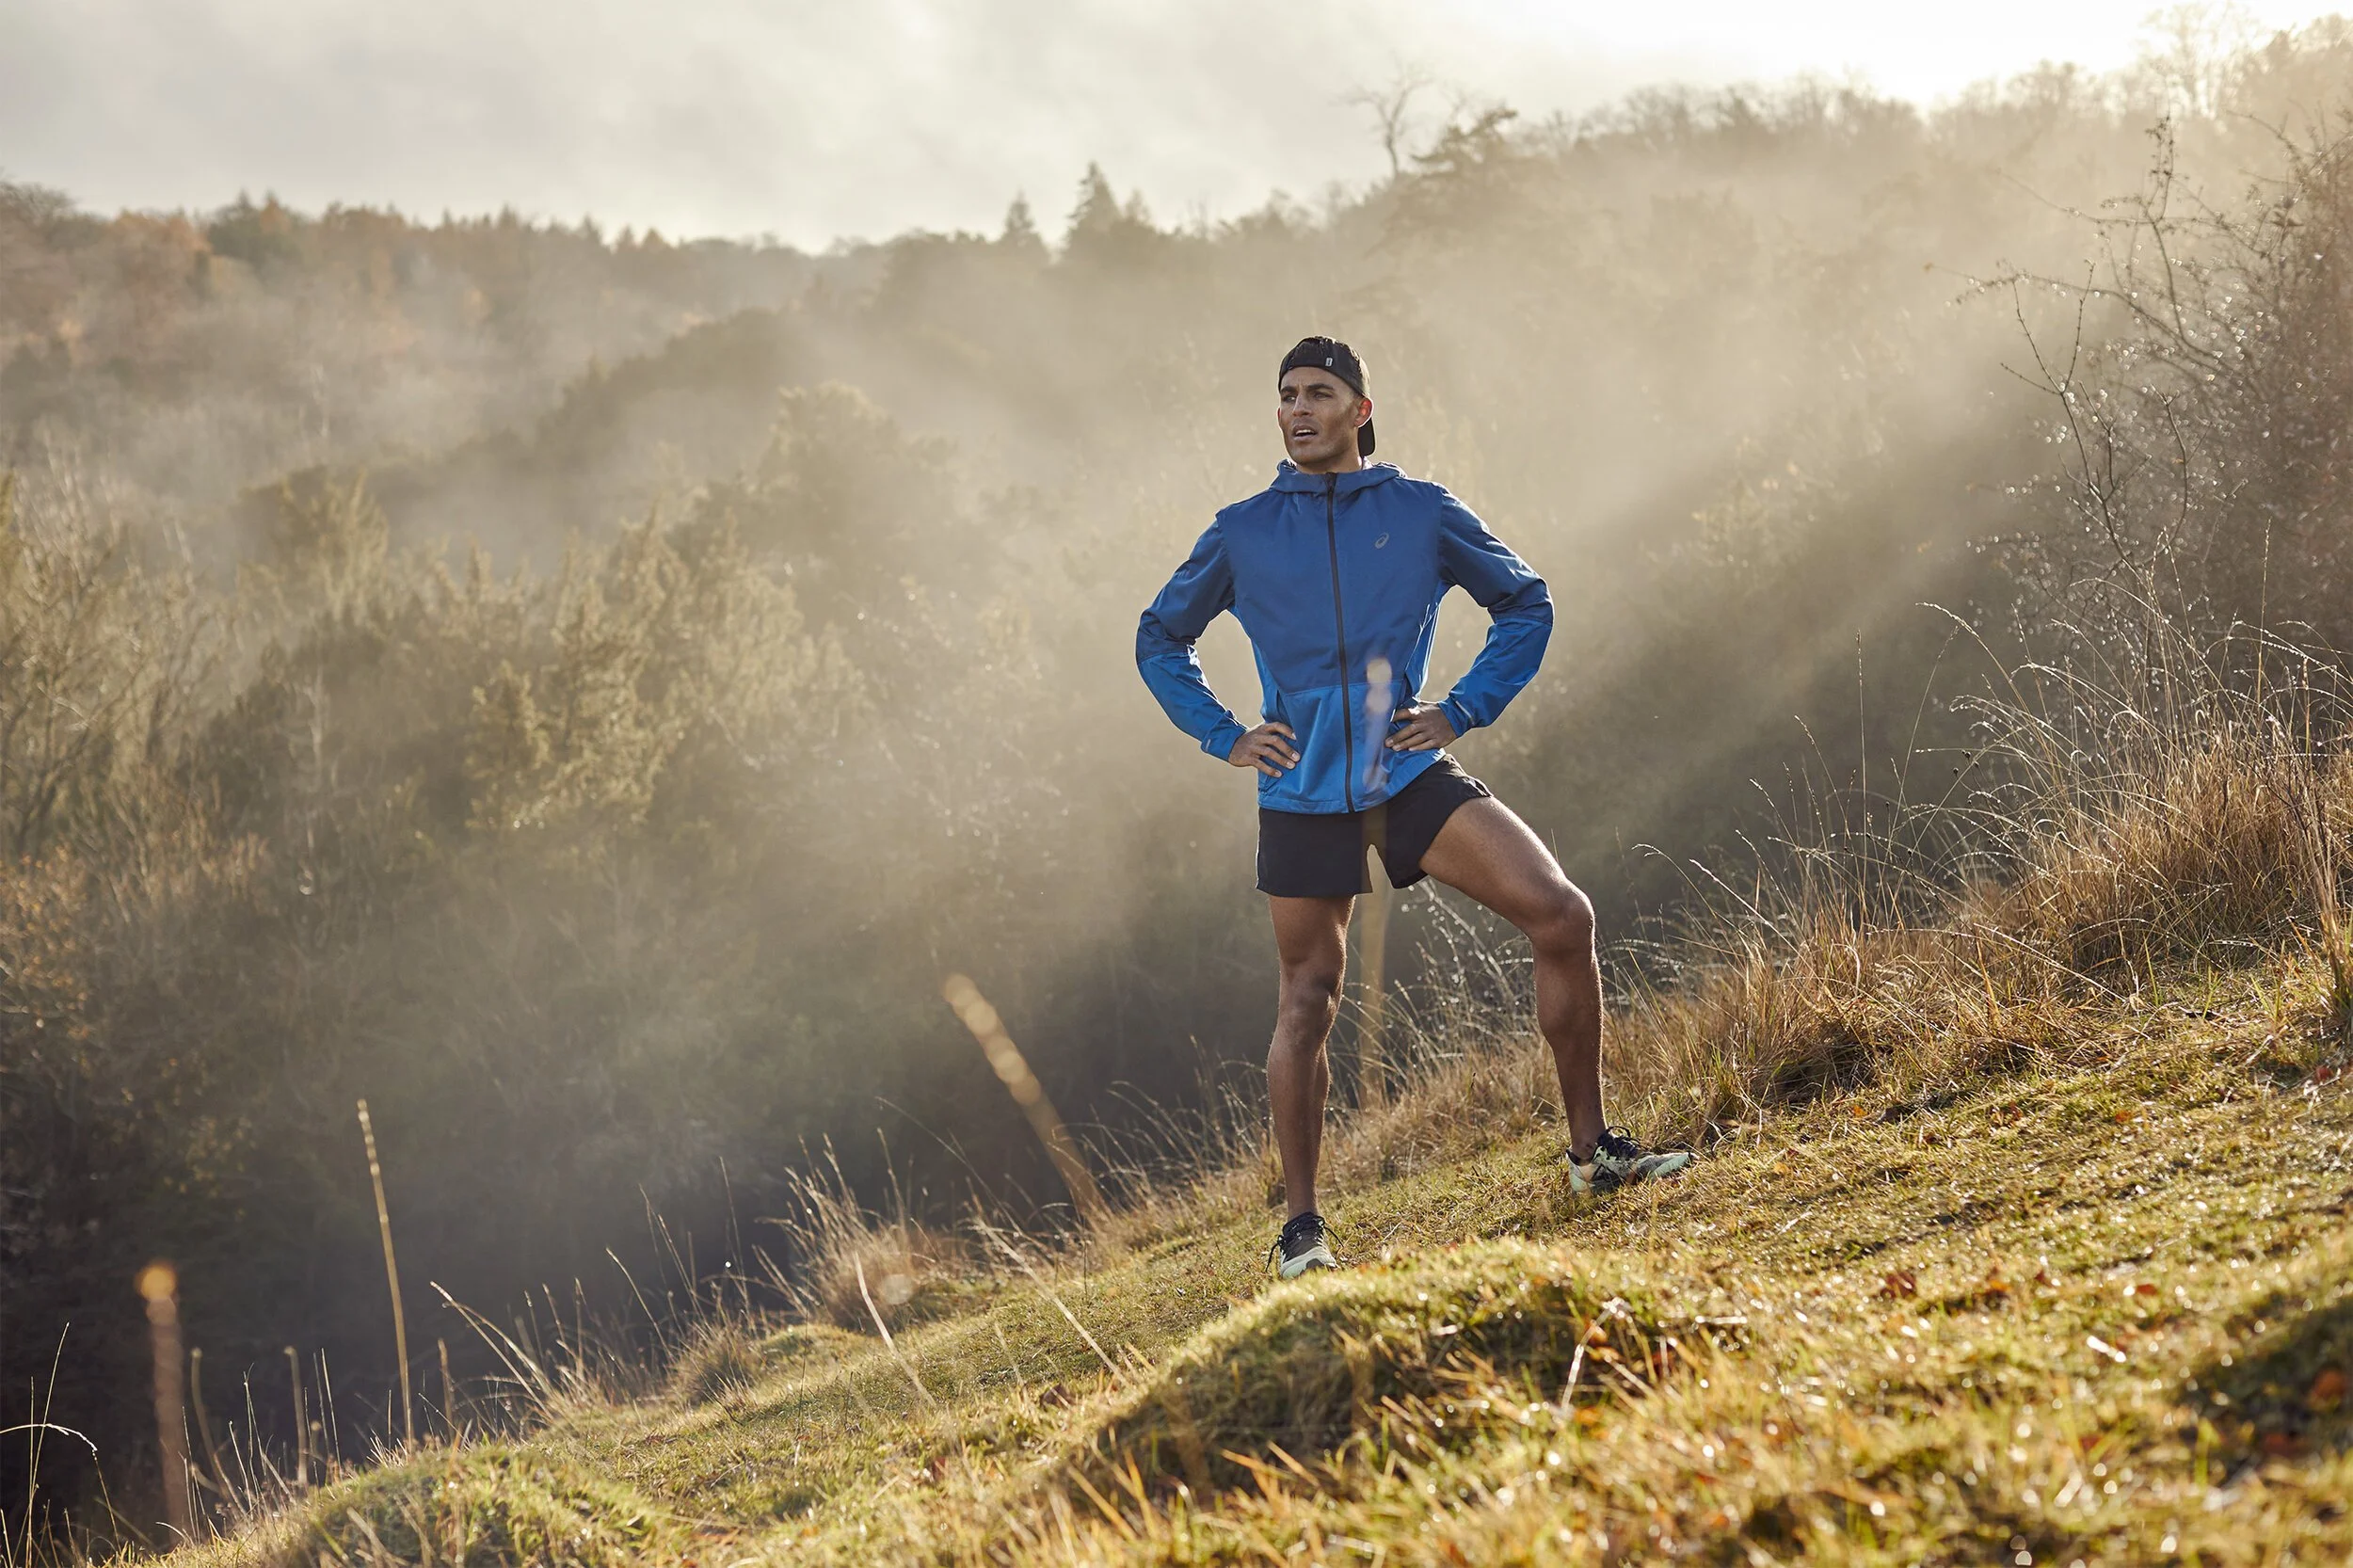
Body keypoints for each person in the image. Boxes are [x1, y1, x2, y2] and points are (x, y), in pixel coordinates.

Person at [1136, 336, 1692, 1280]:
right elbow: (1161, 635)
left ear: (1359, 410)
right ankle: (1302, 1231)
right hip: (1303, 787)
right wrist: (1225, 733)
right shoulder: (1240, 529)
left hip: (1404, 771)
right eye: (1285, 396)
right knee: (1307, 999)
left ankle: (1591, 1153)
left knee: (1561, 914)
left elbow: (1524, 603)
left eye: (1318, 394)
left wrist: (1463, 708)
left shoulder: (1420, 511)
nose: (1298, 410)